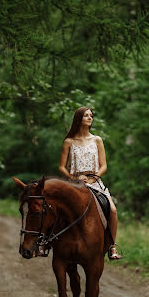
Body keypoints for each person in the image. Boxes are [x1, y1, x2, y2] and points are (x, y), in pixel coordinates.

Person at [58, 106, 122, 259]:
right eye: (86, 115)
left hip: (95, 183)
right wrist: (74, 179)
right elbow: (61, 166)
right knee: (56, 207)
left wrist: (93, 178)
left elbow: (104, 165)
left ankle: (112, 246)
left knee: (112, 210)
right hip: (74, 184)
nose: (89, 118)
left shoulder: (97, 140)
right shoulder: (69, 141)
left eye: (91, 116)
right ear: (78, 118)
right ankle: (46, 243)